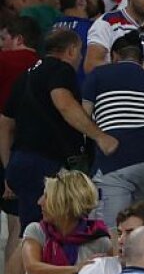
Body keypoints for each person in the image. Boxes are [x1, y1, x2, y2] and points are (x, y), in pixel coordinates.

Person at [1, 30, 117, 231]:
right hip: (44, 163)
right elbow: (64, 103)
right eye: (80, 52)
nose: (80, 58)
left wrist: (8, 166)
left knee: (29, 230)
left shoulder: (26, 76)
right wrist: (100, 136)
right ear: (71, 50)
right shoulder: (61, 70)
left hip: (21, 161)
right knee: (38, 234)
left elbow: (5, 124)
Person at [82, 32, 144, 227]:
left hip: (114, 162)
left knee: (113, 232)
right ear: (141, 60)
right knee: (141, 232)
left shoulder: (98, 76)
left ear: (115, 56)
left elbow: (83, 119)